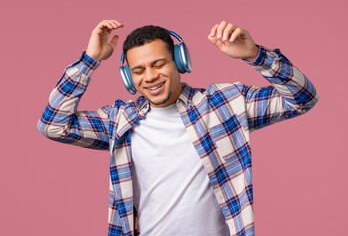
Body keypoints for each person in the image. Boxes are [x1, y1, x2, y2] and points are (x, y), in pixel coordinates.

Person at [37, 19, 319, 236]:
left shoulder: (225, 104)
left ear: (179, 62)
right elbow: (53, 125)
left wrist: (256, 55)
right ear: (128, 76)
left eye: (159, 64)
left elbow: (303, 99)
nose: (150, 77)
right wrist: (90, 60)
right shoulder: (118, 120)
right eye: (139, 70)